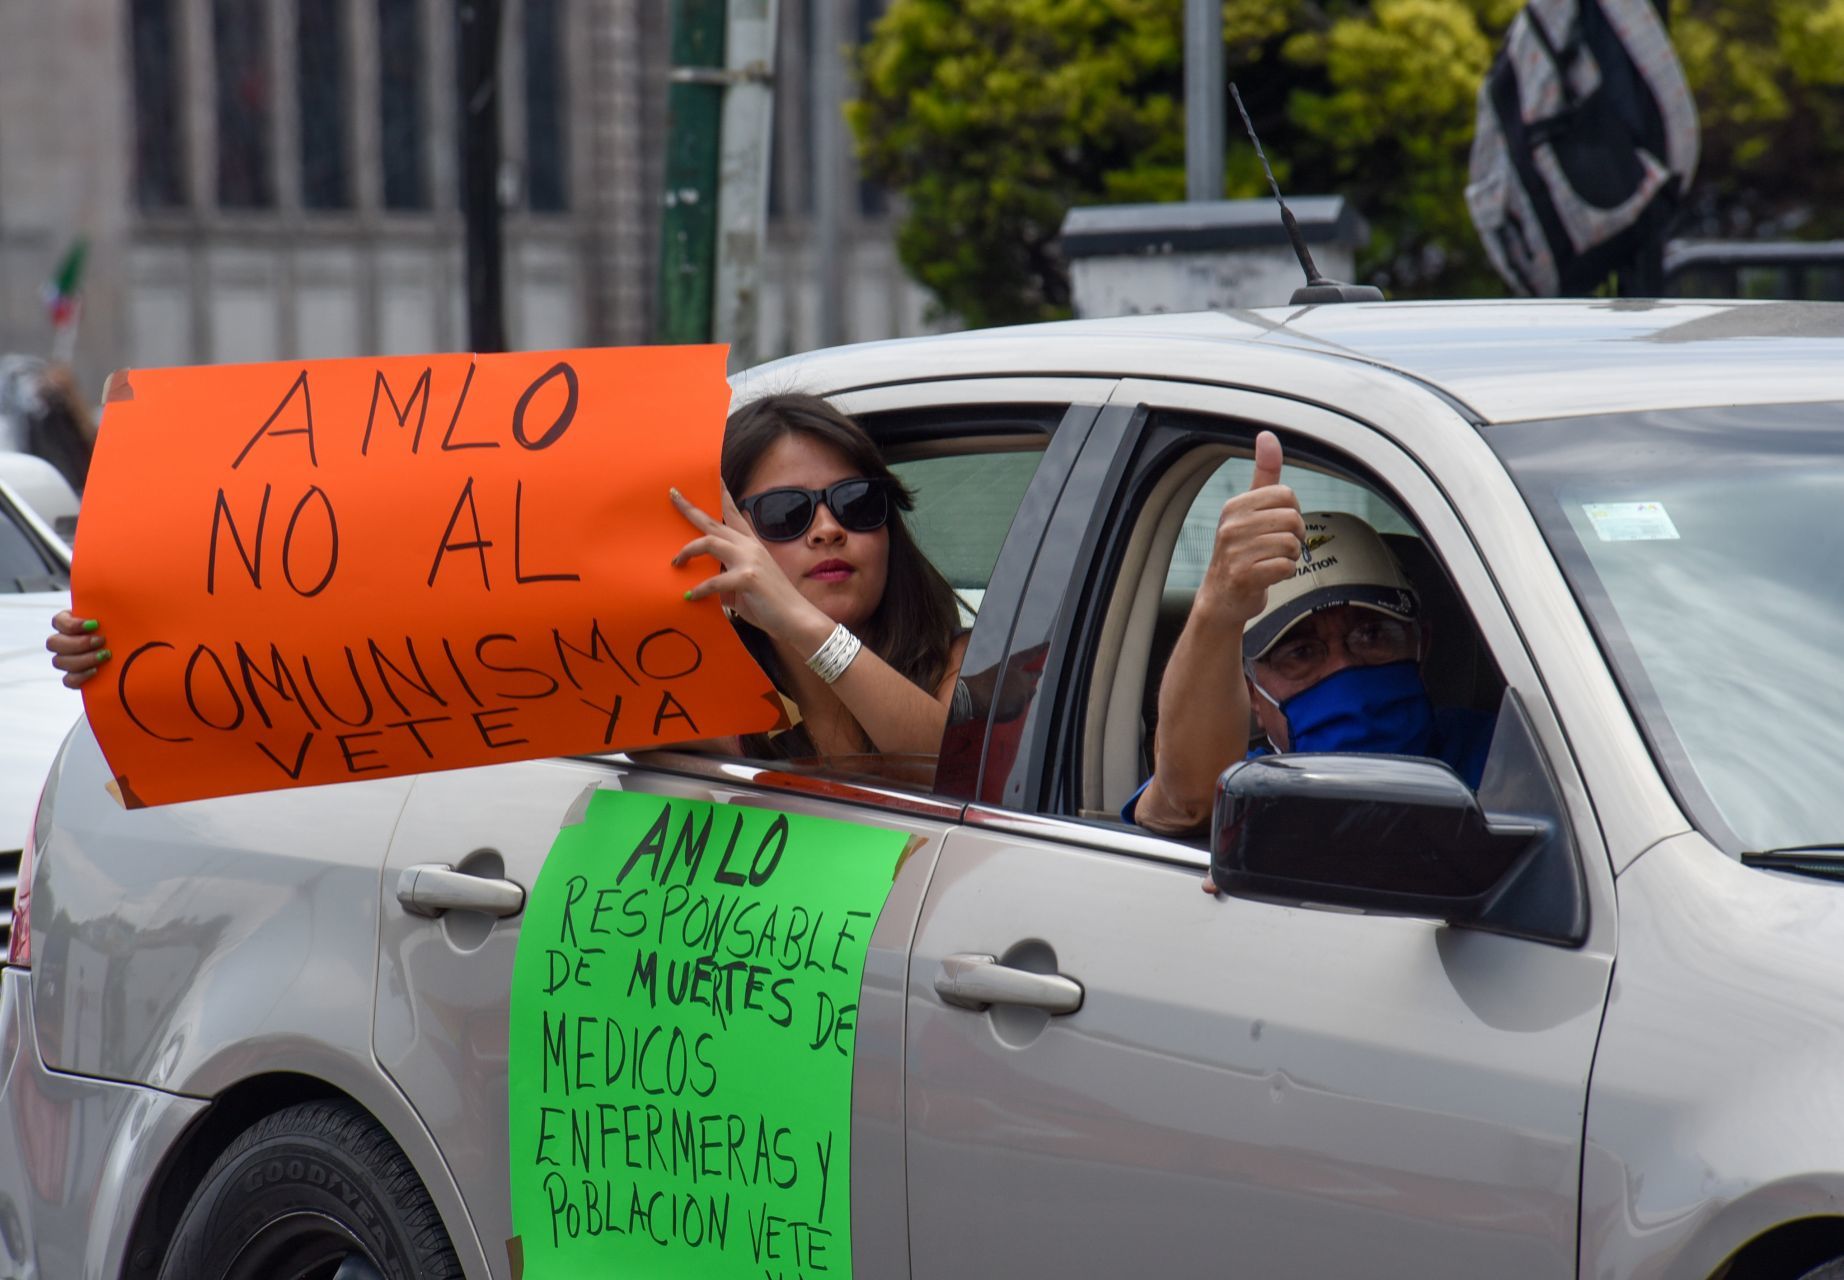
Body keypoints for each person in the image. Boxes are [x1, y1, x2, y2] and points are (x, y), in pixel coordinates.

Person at [49, 392, 972, 762]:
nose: (825, 529)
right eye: (783, 515)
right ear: (724, 534)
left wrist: (795, 622)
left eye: (856, 503)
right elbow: (359, 669)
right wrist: (136, 653)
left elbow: (946, 760)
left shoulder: (954, 657)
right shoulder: (675, 686)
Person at [1126, 431, 1494, 839]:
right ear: (1252, 694)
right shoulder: (1247, 791)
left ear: (1420, 643)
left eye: (1371, 634)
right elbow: (1181, 807)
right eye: (1300, 653)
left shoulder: (1506, 755)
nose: (1344, 671)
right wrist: (1217, 609)